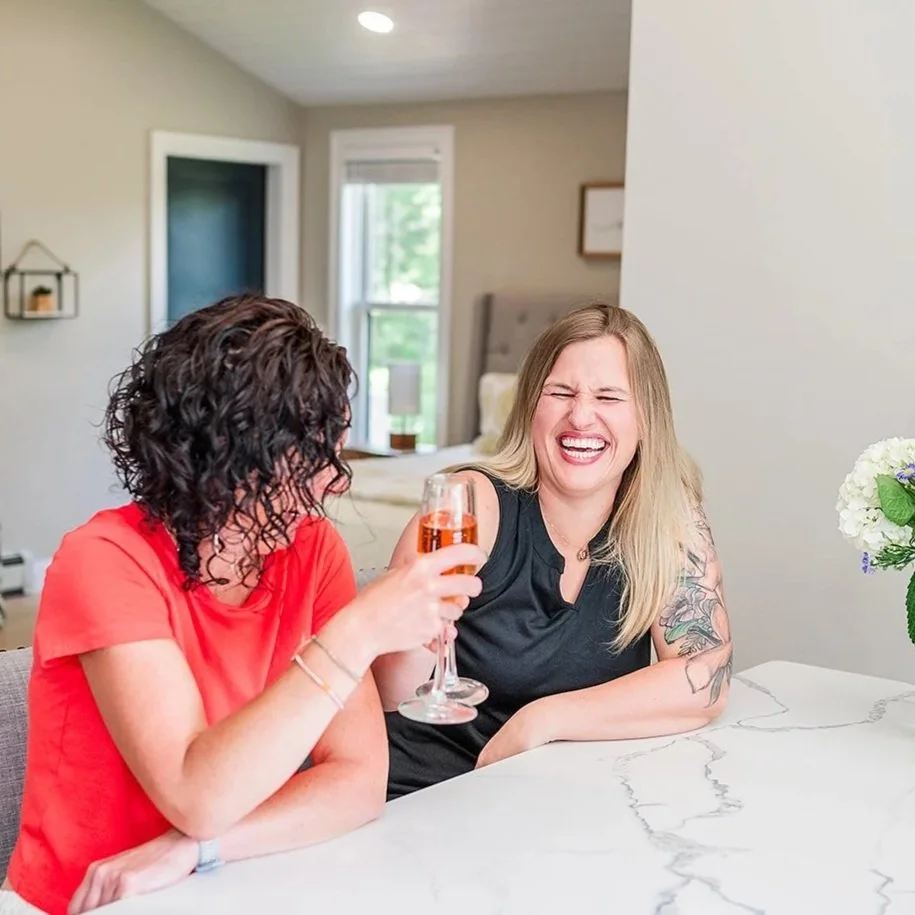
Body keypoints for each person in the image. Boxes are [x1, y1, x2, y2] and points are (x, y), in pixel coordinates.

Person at [0, 295, 485, 915]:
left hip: (232, 880)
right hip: (91, 900)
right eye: (318, 454)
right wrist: (358, 631)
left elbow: (359, 782)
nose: (338, 480)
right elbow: (196, 796)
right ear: (235, 452)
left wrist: (196, 851)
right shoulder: (104, 560)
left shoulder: (312, 550)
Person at [374, 302, 733, 799]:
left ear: (646, 417)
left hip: (554, 801)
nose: (580, 416)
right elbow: (392, 693)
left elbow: (705, 678)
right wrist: (416, 636)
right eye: (561, 392)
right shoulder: (472, 502)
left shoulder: (668, 518)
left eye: (608, 397)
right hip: (423, 797)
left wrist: (544, 719)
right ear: (531, 407)